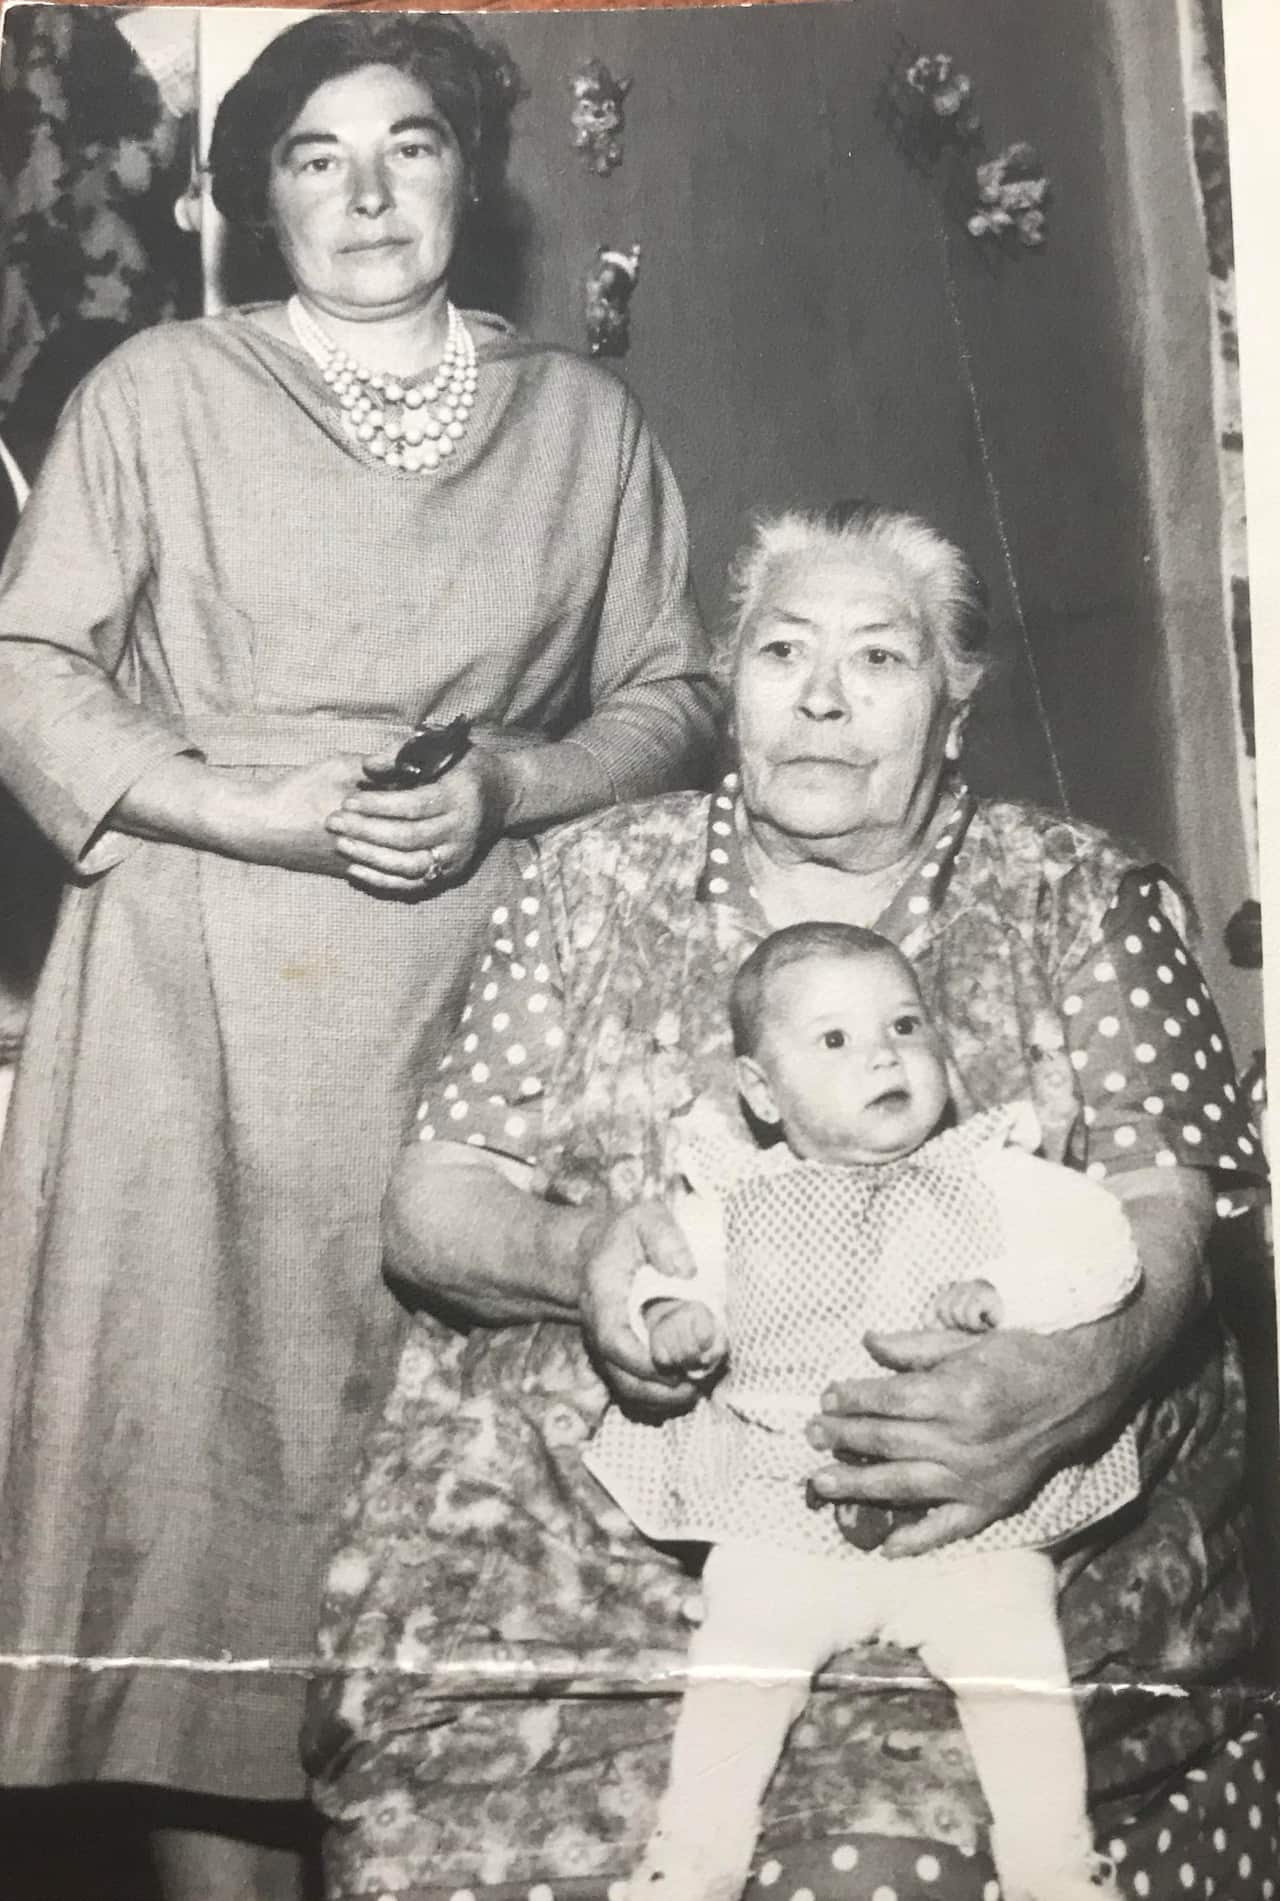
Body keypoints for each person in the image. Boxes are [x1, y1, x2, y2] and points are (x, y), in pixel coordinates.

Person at [307, 501, 1272, 1900]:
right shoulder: (582, 883)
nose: (821, 696)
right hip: (595, 1535)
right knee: (441, 1822)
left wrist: (1074, 1379)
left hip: (992, 1520)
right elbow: (433, 1205)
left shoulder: (1086, 897)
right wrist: (587, 1254)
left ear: (954, 709)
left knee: (911, 1845)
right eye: (780, 652)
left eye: (878, 656)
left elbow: (1165, 1220)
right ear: (729, 689)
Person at [0, 13, 714, 1898]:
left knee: (459, 1504)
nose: (370, 193)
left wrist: (514, 784)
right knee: (206, 1519)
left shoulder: (583, 425)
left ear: (469, 181)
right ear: (261, 200)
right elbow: (25, 665)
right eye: (317, 157)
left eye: (410, 146)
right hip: (195, 1000)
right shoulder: (158, 392)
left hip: (488, 1004)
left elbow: (672, 693)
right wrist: (250, 811)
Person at [588, 921, 1145, 1901]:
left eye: (904, 1024)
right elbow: (664, 1270)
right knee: (737, 1662)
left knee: (1020, 1663)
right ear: (762, 1091)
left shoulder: (993, 1176)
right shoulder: (736, 1197)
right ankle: (692, 1862)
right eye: (835, 1039)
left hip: (968, 1519)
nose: (884, 1054)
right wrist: (675, 1315)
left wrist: (1011, 1294)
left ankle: (1056, 1867)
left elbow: (1106, 1252)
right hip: (784, 1511)